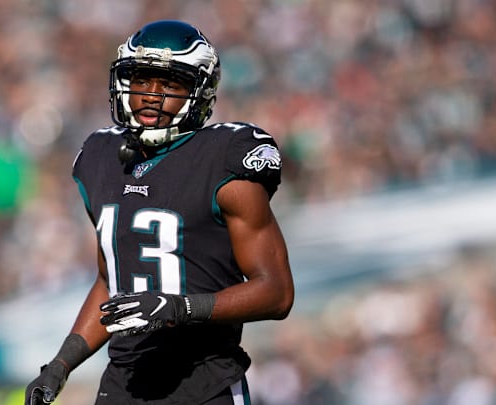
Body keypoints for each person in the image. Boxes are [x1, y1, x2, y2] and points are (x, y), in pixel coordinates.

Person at [25, 19, 294, 405]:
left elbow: (277, 292)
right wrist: (62, 364)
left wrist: (181, 308)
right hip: (125, 383)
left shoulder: (224, 159)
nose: (152, 95)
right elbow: (111, 281)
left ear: (199, 91)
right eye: (142, 80)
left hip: (203, 382)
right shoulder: (100, 157)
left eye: (170, 84)